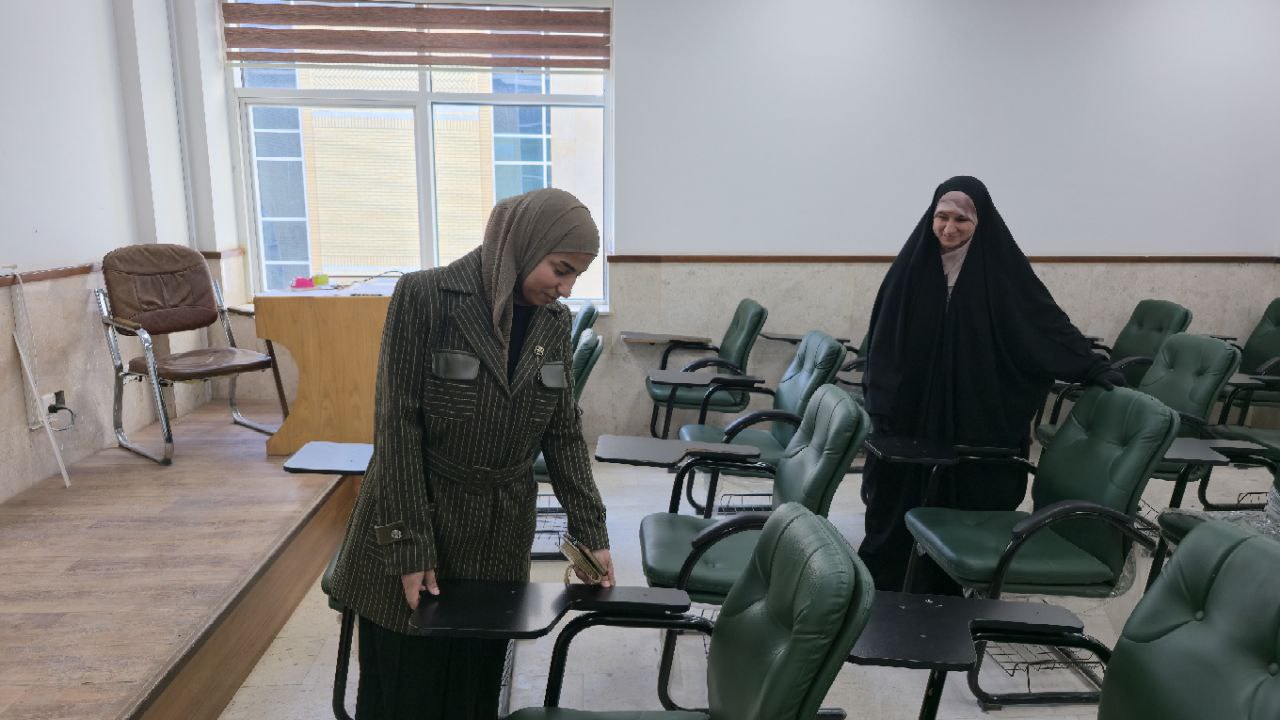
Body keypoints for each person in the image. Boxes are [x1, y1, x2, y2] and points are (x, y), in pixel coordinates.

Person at [327, 188, 614, 719]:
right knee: (408, 688)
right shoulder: (426, 296)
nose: (566, 287)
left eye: (576, 276)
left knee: (475, 687)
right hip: (422, 515)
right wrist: (411, 548)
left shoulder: (552, 322)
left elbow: (563, 435)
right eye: (560, 269)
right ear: (525, 244)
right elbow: (396, 428)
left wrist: (591, 532)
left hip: (500, 533)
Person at [858, 176, 1122, 593]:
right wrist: (882, 397)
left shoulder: (1002, 271)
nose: (949, 228)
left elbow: (1042, 324)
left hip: (971, 412)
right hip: (911, 412)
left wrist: (1088, 366)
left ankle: (949, 577)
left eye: (961, 219)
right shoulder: (911, 267)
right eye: (941, 217)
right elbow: (883, 340)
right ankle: (890, 581)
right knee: (898, 494)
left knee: (960, 487)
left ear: (980, 221)